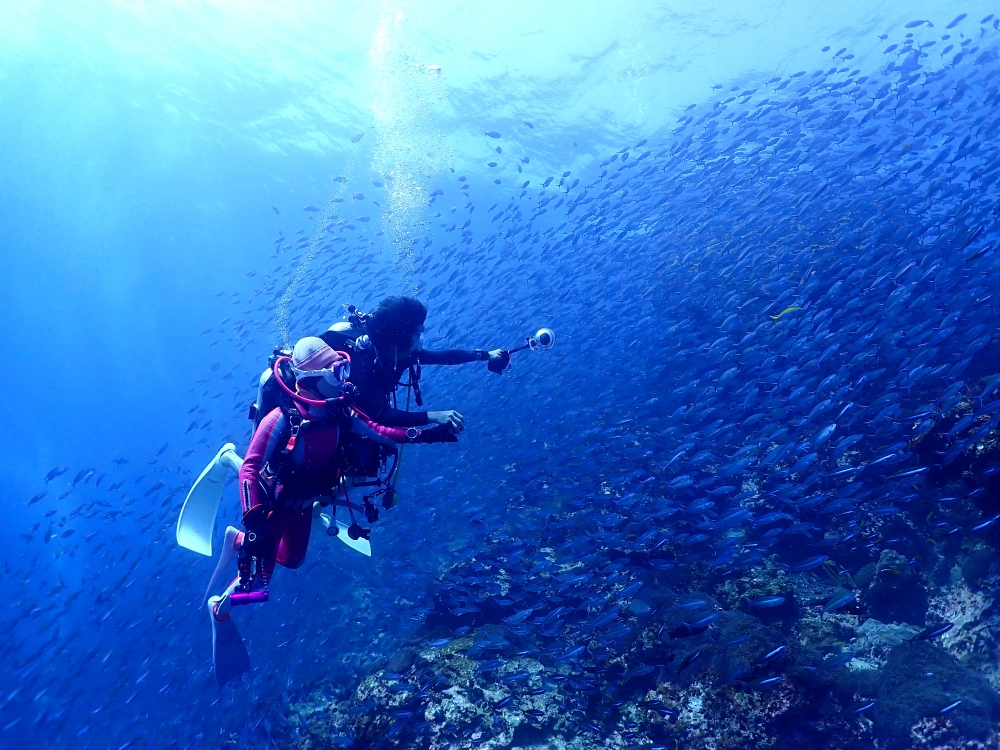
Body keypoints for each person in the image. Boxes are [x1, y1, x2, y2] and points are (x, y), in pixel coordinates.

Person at [204, 336, 454, 685]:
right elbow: (250, 469)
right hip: (274, 505)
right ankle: (219, 609)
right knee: (258, 585)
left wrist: (427, 435)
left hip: (306, 502)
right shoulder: (280, 418)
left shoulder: (340, 411)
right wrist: (255, 519)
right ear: (313, 377)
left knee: (292, 560)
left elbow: (379, 431)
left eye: (344, 367)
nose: (344, 377)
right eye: (337, 370)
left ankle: (238, 540)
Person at [320, 296, 507, 434]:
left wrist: (486, 355)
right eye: (416, 335)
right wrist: (432, 416)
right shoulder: (361, 365)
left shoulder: (398, 351)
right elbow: (383, 415)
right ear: (394, 345)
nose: (420, 342)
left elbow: (443, 357)